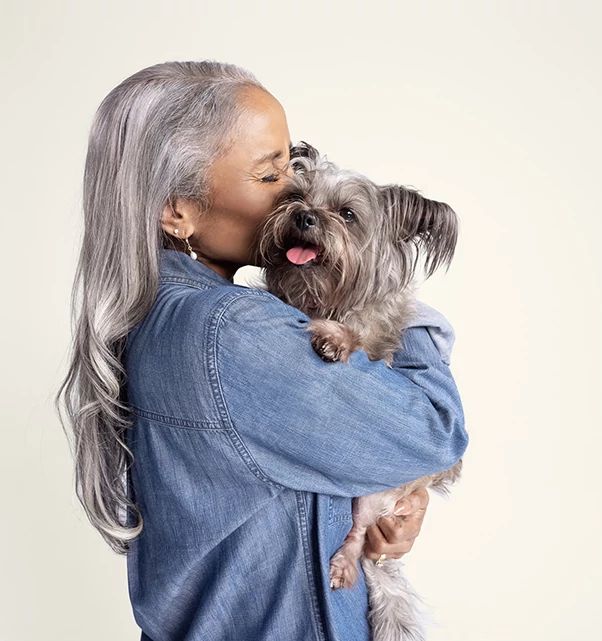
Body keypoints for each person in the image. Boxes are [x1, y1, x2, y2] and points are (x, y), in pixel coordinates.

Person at [56, 60, 468, 641]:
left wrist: (388, 497)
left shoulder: (163, 317)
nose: (295, 198)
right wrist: (401, 304)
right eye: (271, 175)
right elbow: (435, 431)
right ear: (178, 210)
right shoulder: (234, 330)